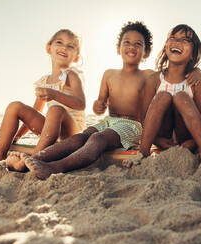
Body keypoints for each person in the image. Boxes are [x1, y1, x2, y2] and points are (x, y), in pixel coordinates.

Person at [22, 21, 154, 179]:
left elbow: (154, 107)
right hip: (108, 121)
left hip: (131, 125)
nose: (131, 46)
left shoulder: (149, 75)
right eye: (127, 42)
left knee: (98, 139)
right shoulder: (109, 74)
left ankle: (55, 167)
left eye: (138, 44)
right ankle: (34, 159)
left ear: (146, 53)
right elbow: (100, 105)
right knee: (80, 137)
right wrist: (98, 106)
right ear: (118, 48)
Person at [0, 29, 86, 171]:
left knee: (55, 110)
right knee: (15, 106)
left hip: (71, 133)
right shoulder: (44, 81)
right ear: (49, 48)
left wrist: (54, 94)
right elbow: (35, 111)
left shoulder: (72, 75)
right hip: (50, 131)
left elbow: (80, 104)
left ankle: (35, 158)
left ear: (76, 57)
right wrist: (19, 134)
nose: (64, 47)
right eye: (59, 42)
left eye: (70, 46)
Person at [123, 24, 201, 168]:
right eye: (173, 38)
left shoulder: (196, 83)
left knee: (181, 97)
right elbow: (145, 119)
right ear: (166, 46)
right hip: (163, 137)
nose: (177, 42)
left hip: (186, 139)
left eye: (185, 40)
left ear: (193, 54)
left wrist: (193, 142)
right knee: (163, 96)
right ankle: (143, 152)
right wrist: (157, 140)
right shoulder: (154, 80)